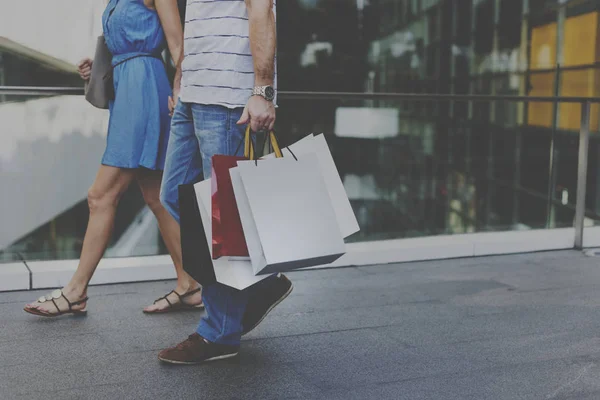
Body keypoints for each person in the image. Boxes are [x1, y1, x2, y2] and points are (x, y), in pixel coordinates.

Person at [24, 0, 203, 317]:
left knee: (100, 195)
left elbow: (178, 45)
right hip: (128, 89)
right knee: (157, 196)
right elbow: (128, 45)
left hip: (145, 92)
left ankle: (76, 291)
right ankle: (190, 283)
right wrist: (101, 65)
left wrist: (184, 93)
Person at [156, 0, 293, 364]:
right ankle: (261, 283)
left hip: (229, 97)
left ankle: (220, 332)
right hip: (194, 91)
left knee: (223, 218)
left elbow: (261, 9)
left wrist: (262, 91)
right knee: (174, 195)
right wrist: (182, 76)